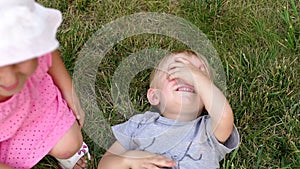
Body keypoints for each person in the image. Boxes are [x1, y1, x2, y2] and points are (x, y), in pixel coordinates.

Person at [98, 50, 240, 169]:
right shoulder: (139, 124)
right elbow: (105, 164)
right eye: (176, 70)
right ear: (154, 96)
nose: (187, 78)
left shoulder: (207, 130)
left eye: (196, 73)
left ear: (206, 101)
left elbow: (224, 115)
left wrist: (197, 77)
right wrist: (128, 159)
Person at [0, 0, 90, 168]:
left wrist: (68, 89)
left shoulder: (28, 39)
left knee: (69, 145)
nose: (10, 80)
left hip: (30, 105)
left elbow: (47, 50)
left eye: (18, 59)